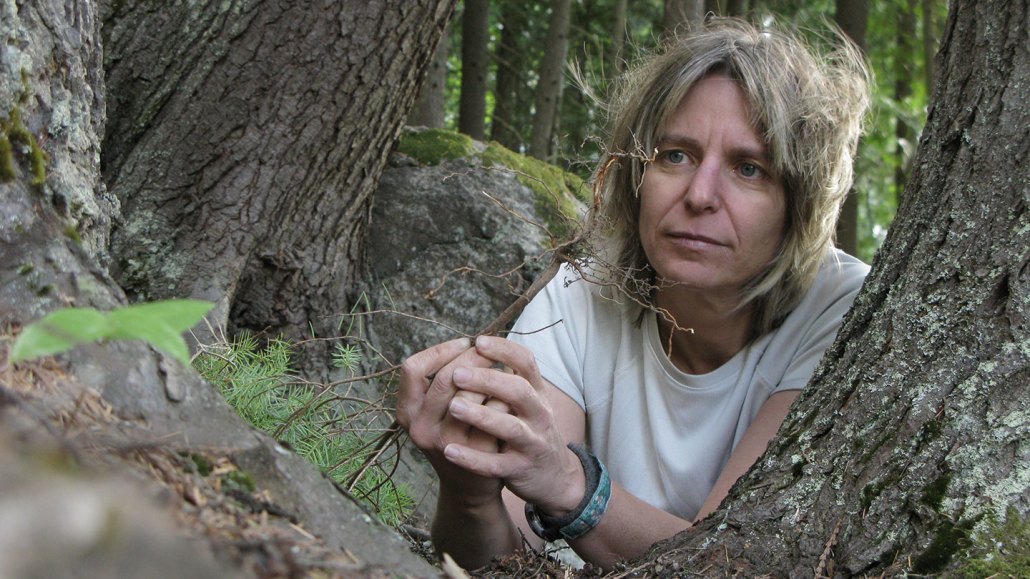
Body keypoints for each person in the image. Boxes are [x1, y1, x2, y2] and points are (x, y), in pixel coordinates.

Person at [396, 17, 871, 570]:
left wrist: (572, 486)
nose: (700, 195)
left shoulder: (843, 311)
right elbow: (506, 561)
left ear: (800, 201)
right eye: (676, 155)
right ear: (634, 174)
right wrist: (471, 492)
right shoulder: (578, 297)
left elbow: (736, 562)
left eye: (749, 168)